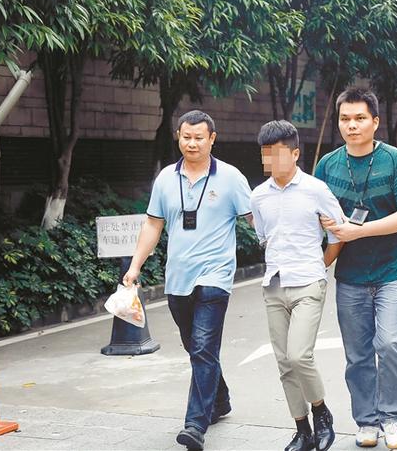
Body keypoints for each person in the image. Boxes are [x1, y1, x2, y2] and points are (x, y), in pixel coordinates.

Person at [122, 110, 252, 451]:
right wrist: (135, 266)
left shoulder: (231, 178)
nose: (192, 144)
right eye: (186, 137)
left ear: (212, 139)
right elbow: (153, 224)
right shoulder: (166, 178)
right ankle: (219, 399)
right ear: (178, 137)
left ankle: (195, 424)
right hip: (178, 278)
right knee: (195, 346)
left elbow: (255, 218)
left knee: (204, 346)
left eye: (199, 138)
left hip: (216, 275)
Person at [314, 88, 397, 449]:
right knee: (357, 353)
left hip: (394, 269)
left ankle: (391, 417)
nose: (352, 125)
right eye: (345, 118)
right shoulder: (328, 165)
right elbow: (315, 218)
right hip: (351, 274)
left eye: (360, 118)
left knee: (390, 343)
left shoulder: (395, 160)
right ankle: (367, 421)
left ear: (375, 121)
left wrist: (358, 230)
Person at [250, 120, 344, 451]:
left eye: (277, 154)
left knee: (299, 355)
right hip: (274, 285)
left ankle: (321, 413)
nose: (271, 161)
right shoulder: (258, 196)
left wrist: (320, 266)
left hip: (308, 283)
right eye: (266, 154)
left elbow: (338, 234)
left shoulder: (316, 189)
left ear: (294, 154)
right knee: (284, 363)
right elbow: (264, 237)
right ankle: (302, 430)